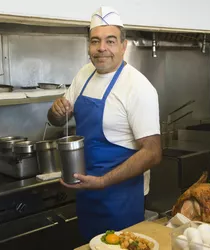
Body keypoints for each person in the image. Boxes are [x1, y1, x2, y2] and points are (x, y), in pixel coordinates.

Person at [47, 6, 162, 241]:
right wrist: (56, 111)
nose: (102, 48)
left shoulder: (138, 88)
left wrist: (102, 182)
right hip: (86, 193)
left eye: (110, 41)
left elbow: (153, 153)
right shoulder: (84, 74)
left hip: (121, 200)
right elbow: (57, 120)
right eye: (95, 41)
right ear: (88, 46)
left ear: (123, 45)